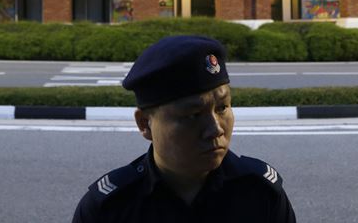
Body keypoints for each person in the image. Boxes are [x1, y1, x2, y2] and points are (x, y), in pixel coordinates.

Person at [73, 35, 296, 222]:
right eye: (192, 115)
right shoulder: (109, 208)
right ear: (145, 124)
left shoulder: (260, 194)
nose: (215, 129)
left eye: (222, 107)